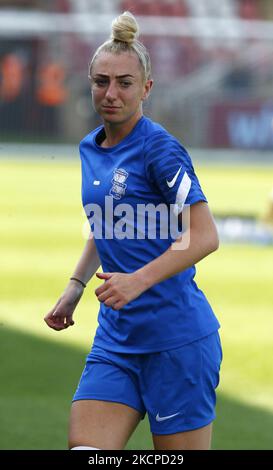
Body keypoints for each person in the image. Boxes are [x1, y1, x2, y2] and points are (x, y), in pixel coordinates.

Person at [44, 11, 223, 451]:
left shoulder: (160, 149)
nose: (111, 93)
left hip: (176, 342)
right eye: (101, 81)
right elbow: (106, 225)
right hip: (117, 339)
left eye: (124, 82)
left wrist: (137, 281)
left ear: (146, 88)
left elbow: (204, 235)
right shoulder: (90, 147)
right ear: (89, 84)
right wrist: (75, 285)